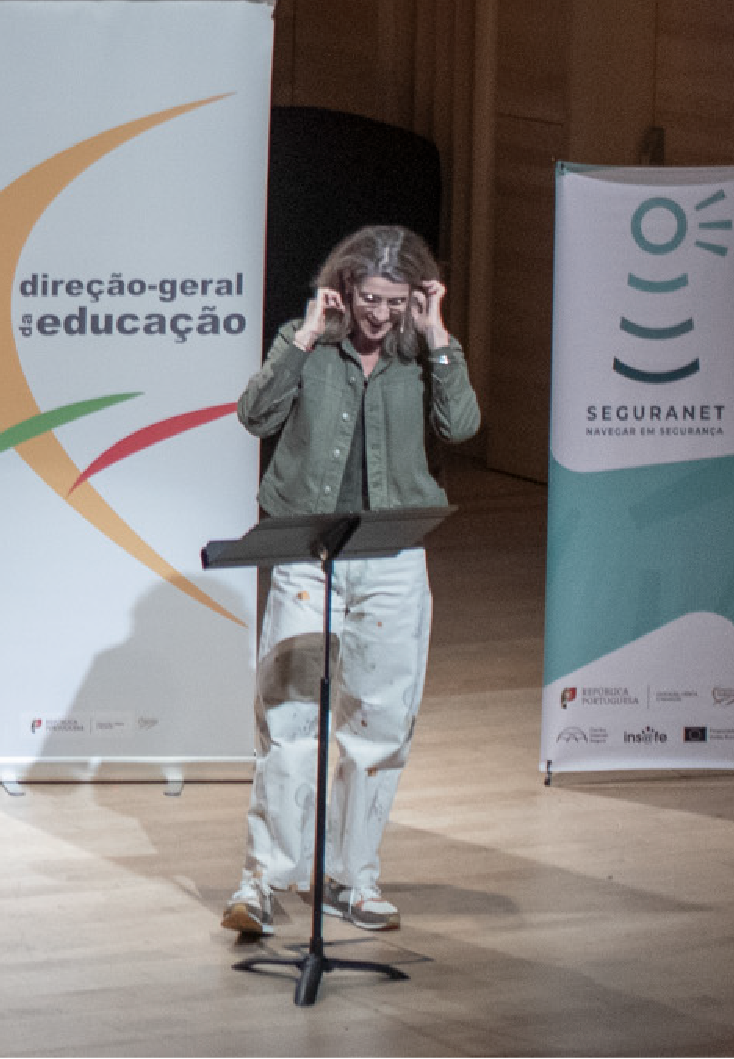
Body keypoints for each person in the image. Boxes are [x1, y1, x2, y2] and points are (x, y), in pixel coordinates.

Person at [219, 226, 479, 942]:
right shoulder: (310, 341)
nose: (381, 314)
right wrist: (303, 337)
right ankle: (264, 882)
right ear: (345, 286)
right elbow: (254, 415)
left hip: (393, 560)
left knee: (380, 725)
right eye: (371, 297)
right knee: (291, 720)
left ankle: (351, 878)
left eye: (397, 301)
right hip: (309, 555)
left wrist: (439, 337)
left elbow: (461, 426)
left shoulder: (420, 352)